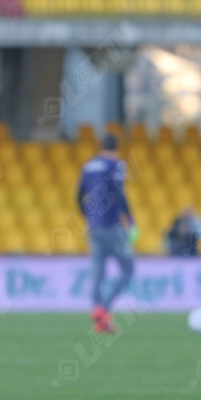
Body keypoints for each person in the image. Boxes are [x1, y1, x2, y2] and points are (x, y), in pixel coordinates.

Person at [77, 133, 137, 333]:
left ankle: (99, 319)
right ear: (116, 148)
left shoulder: (88, 166)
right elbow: (119, 193)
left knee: (98, 270)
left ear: (100, 146)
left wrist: (87, 216)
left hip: (93, 227)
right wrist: (130, 220)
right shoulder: (116, 165)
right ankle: (102, 308)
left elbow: (78, 196)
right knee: (127, 269)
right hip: (112, 225)